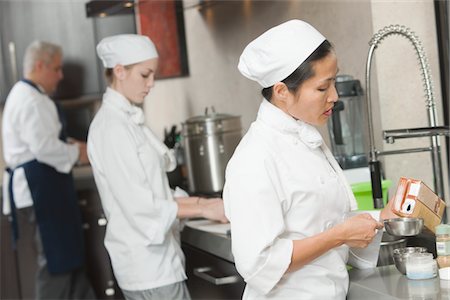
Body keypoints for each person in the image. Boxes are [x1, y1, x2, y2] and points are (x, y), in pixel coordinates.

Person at [223, 19, 398, 299]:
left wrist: (383, 218)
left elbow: (323, 221)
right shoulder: (255, 158)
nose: (335, 96)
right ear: (281, 91)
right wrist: (339, 236)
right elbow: (258, 264)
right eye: (322, 88)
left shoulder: (306, 137)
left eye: (334, 82)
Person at [87, 34, 228, 300]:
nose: (151, 83)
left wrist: (202, 205)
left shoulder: (128, 120)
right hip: (147, 267)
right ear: (120, 71)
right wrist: (204, 207)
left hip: (155, 265)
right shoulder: (112, 129)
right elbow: (142, 208)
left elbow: (152, 191)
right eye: (145, 74)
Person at [2, 41, 95, 299]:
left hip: (46, 188)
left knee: (71, 262)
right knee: (58, 265)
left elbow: (44, 140)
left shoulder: (29, 95)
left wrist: (73, 145)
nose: (61, 75)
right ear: (40, 65)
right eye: (57, 68)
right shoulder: (30, 100)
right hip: (41, 190)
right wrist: (79, 153)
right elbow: (44, 148)